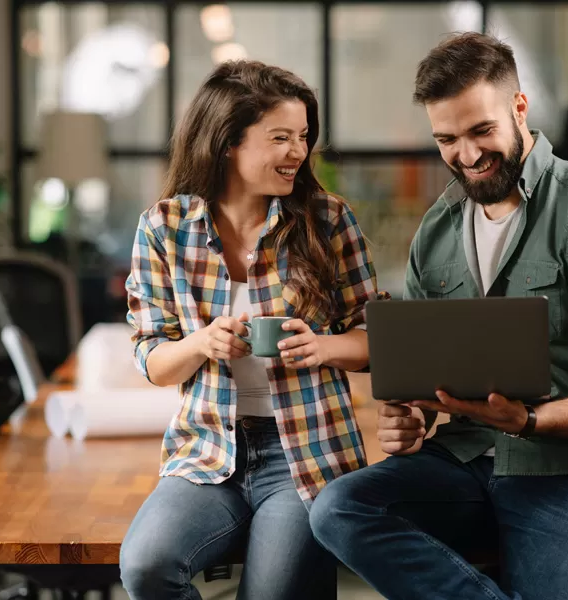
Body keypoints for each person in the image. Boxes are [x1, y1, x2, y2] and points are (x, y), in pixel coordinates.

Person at [309, 32, 568, 600]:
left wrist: (530, 422)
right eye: (446, 138)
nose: (466, 155)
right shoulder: (439, 228)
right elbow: (424, 371)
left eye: (481, 131)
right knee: (338, 509)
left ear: (519, 108)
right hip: (467, 461)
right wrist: (413, 419)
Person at [121, 59, 385, 600]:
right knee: (146, 566)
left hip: (305, 453)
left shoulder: (327, 220)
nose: (299, 152)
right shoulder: (165, 227)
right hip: (207, 453)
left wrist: (323, 346)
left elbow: (375, 339)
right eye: (281, 137)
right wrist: (201, 342)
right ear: (227, 143)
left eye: (304, 137)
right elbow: (150, 357)